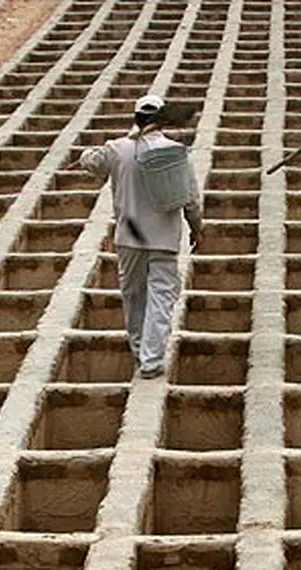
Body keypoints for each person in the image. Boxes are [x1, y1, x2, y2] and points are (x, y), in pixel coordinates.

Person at [79, 95, 204, 379]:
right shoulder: (176, 152)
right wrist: (197, 227)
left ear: (136, 118)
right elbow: (190, 198)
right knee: (161, 297)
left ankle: (140, 352)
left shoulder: (118, 149)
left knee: (134, 298)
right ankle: (151, 359)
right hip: (164, 237)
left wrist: (84, 156)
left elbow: (92, 162)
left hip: (130, 236)